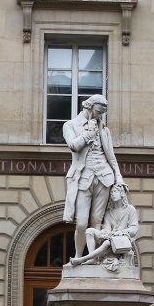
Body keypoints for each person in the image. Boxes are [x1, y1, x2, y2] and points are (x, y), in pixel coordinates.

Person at [62, 94, 125, 258]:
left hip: (104, 178)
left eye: (102, 113)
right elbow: (73, 146)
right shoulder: (70, 125)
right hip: (83, 178)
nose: (100, 116)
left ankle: (93, 258)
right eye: (98, 112)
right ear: (89, 107)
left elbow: (110, 156)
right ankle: (78, 257)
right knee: (81, 223)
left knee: (97, 221)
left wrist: (118, 177)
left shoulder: (104, 129)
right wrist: (88, 134)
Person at [68, 184, 139, 271]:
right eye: (111, 192)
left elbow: (134, 228)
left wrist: (122, 232)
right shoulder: (109, 211)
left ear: (122, 193)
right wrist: (104, 233)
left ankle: (82, 259)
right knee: (89, 231)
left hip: (122, 238)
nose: (112, 194)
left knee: (107, 243)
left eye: (115, 191)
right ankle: (93, 259)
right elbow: (107, 227)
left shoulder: (130, 209)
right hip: (111, 236)